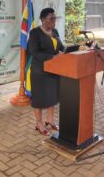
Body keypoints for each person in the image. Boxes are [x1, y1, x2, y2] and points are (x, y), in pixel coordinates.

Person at [28, 7, 64, 136]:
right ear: (43, 20)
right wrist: (52, 57)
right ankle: (39, 123)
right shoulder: (34, 33)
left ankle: (50, 120)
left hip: (54, 71)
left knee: (52, 96)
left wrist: (66, 52)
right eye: (51, 18)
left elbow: (61, 47)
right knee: (39, 98)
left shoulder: (55, 31)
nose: (54, 20)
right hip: (39, 71)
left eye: (55, 17)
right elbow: (34, 52)